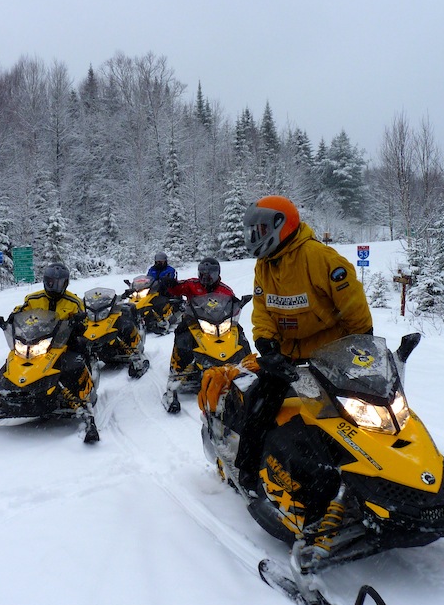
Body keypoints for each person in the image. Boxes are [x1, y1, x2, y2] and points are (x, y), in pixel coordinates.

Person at [228, 196, 373, 489]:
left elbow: (355, 310)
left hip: (331, 356)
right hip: (286, 357)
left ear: (281, 226)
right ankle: (248, 469)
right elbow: (263, 310)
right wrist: (266, 345)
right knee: (258, 404)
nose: (254, 237)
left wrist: (362, 348)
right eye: (251, 231)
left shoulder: (322, 259)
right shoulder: (264, 265)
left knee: (363, 414)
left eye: (258, 230)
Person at [11, 262, 96, 424]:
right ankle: (8, 391)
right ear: (45, 281)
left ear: (66, 282)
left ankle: (87, 388)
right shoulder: (33, 298)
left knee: (80, 352)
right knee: (15, 358)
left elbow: (84, 319)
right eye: (51, 282)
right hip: (36, 338)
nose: (54, 286)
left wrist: (78, 323)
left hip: (63, 340)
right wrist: (11, 318)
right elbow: (20, 311)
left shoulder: (73, 301)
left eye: (59, 283)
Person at [159, 257, 240, 412]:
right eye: (203, 274)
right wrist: (170, 285)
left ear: (218, 274)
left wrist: (238, 305)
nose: (206, 277)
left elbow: (232, 304)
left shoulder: (225, 290)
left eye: (210, 274)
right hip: (194, 320)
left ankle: (243, 363)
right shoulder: (192, 284)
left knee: (238, 332)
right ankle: (177, 370)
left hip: (218, 322)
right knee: (182, 335)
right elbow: (178, 288)